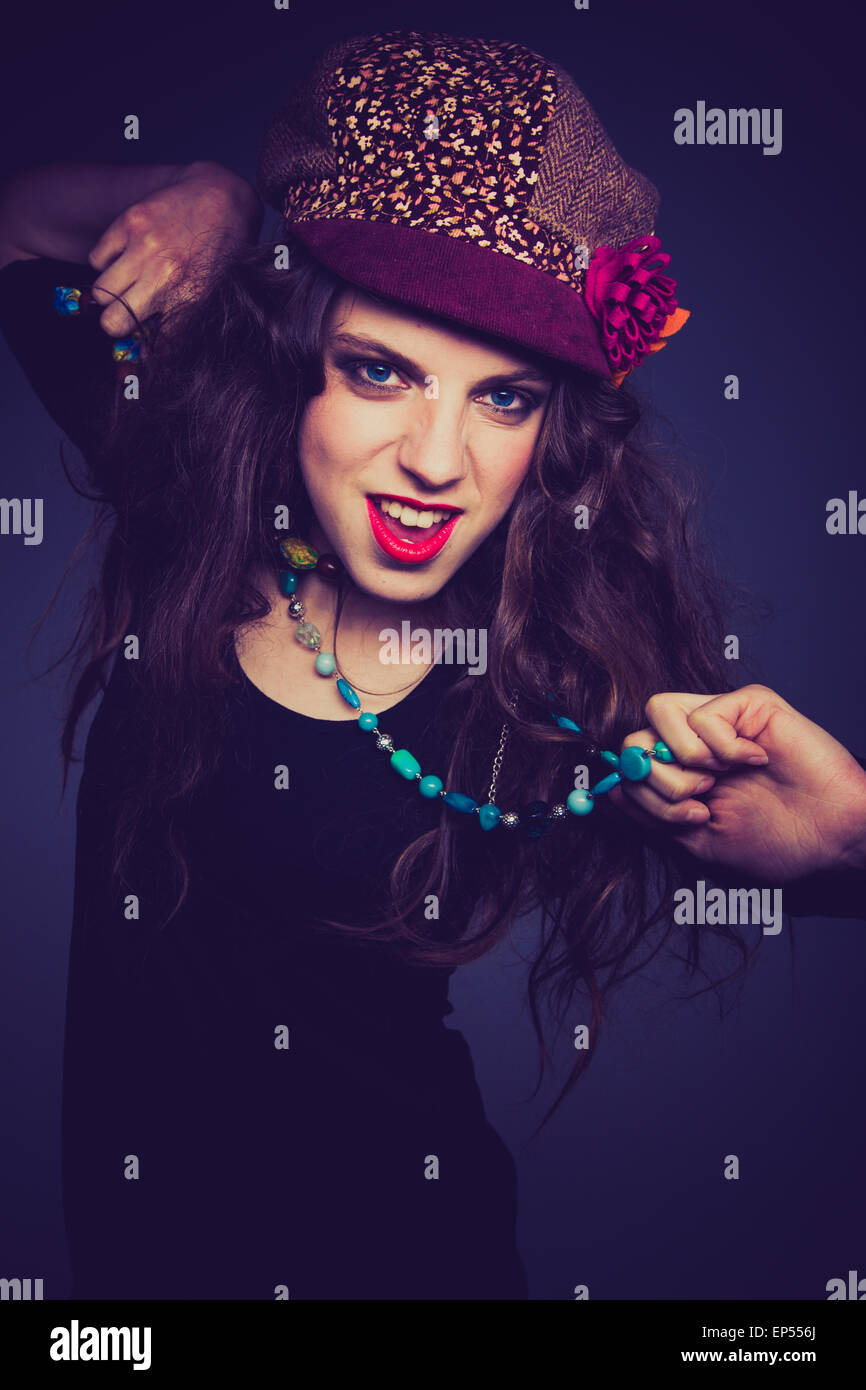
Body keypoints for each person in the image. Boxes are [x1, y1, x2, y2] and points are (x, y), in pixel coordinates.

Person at [1, 30, 864, 1302]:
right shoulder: (184, 481)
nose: (436, 458)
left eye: (502, 398)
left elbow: (760, 836)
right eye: (378, 370)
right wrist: (211, 198)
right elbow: (19, 222)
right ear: (288, 351)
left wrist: (846, 850)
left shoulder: (557, 691)